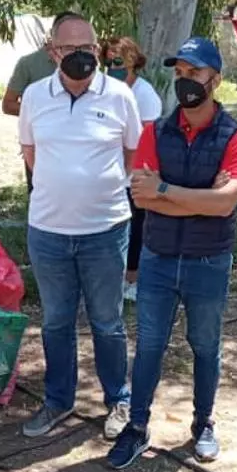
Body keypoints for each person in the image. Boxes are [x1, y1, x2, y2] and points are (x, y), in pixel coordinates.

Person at [106, 37, 237, 469]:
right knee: (149, 345)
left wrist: (166, 190)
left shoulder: (235, 137)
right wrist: (200, 198)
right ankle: (137, 426)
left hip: (209, 261)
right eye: (179, 73)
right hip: (159, 257)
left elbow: (225, 203)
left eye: (195, 73)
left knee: (205, 345)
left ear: (216, 79)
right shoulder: (155, 132)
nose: (185, 81)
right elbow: (142, 198)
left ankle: (203, 423)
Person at [18, 13, 142, 441]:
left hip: (105, 230)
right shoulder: (35, 96)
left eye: (88, 48)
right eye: (70, 49)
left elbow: (131, 154)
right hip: (48, 231)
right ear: (53, 52)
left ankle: (118, 399)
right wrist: (64, 186)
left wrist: (97, 188)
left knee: (107, 321)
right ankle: (58, 400)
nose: (81, 56)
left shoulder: (120, 96)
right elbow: (30, 152)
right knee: (56, 321)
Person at [101, 35, 163, 301]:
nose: (112, 68)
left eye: (118, 62)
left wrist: (134, 171)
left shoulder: (144, 94)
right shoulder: (104, 89)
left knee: (137, 227)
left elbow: (147, 138)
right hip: (109, 169)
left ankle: (134, 279)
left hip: (136, 172)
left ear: (132, 63)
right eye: (108, 63)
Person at [3, 11, 81, 194]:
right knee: (41, 193)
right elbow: (8, 104)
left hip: (79, 144)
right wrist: (44, 111)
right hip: (41, 146)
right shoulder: (29, 63)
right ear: (54, 34)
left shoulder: (86, 64)